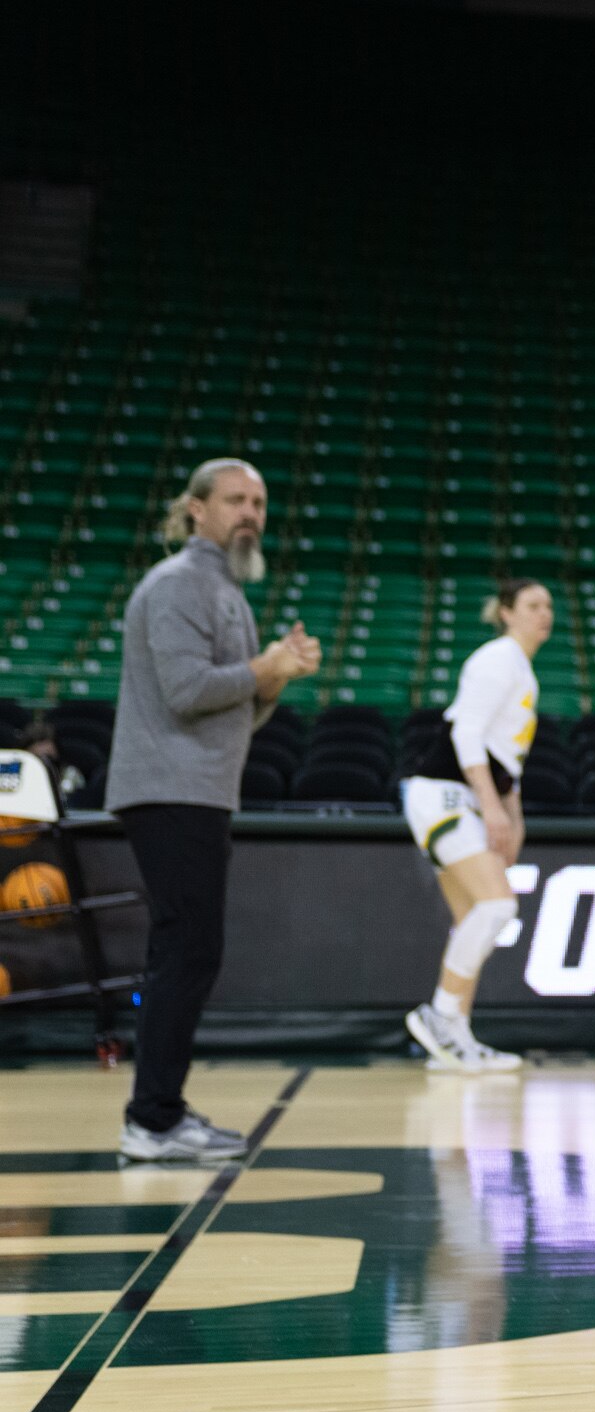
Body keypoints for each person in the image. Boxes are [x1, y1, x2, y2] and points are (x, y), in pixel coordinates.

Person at [107, 458, 320, 1161]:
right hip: (170, 789)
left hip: (197, 787)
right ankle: (153, 1119)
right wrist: (264, 669)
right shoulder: (178, 586)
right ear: (196, 509)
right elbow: (187, 692)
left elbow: (231, 718)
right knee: (189, 951)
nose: (250, 513)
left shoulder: (226, 590)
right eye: (235, 499)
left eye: (259, 501)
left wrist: (273, 680)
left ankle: (159, 1112)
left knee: (188, 950)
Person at [396, 579, 549, 1074]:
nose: (543, 614)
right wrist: (492, 806)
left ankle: (456, 1038)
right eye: (531, 605)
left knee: (474, 920)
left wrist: (512, 814)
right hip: (443, 792)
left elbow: (509, 760)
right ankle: (440, 1016)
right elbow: (466, 734)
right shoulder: (497, 658)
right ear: (506, 612)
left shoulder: (522, 669)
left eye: (548, 606)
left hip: (465, 796)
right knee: (498, 905)